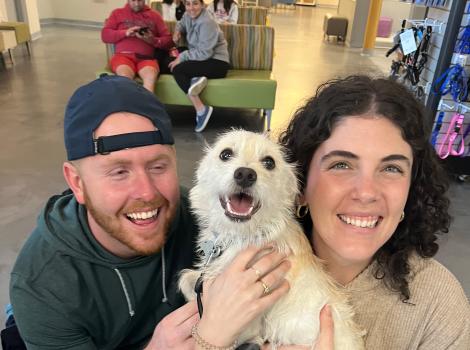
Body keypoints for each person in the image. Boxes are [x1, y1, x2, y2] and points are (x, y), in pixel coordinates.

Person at [7, 75, 306, 350]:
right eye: (119, 171)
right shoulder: (43, 286)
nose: (147, 193)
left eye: (157, 166)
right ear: (77, 182)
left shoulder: (209, 216)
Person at [279, 75, 470, 349]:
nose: (366, 192)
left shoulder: (438, 305)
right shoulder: (252, 275)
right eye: (342, 165)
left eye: (391, 168)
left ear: (410, 189)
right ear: (299, 185)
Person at [168, 0, 230, 133]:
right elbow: (181, 23)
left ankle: (201, 109)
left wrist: (182, 57)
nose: (191, 8)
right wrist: (177, 31)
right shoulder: (187, 15)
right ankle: (195, 78)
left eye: (195, 3)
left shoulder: (207, 22)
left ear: (202, 5)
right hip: (201, 59)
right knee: (167, 60)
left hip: (217, 63)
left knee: (178, 69)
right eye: (188, 4)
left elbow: (204, 53)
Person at [101, 0, 174, 92]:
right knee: (125, 78)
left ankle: (145, 105)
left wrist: (153, 40)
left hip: (146, 59)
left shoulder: (155, 16)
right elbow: (105, 36)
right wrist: (125, 33)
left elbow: (169, 41)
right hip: (123, 56)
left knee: (150, 77)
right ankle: (128, 106)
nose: (136, 4)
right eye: (133, 0)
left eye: (140, 0)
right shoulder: (117, 13)